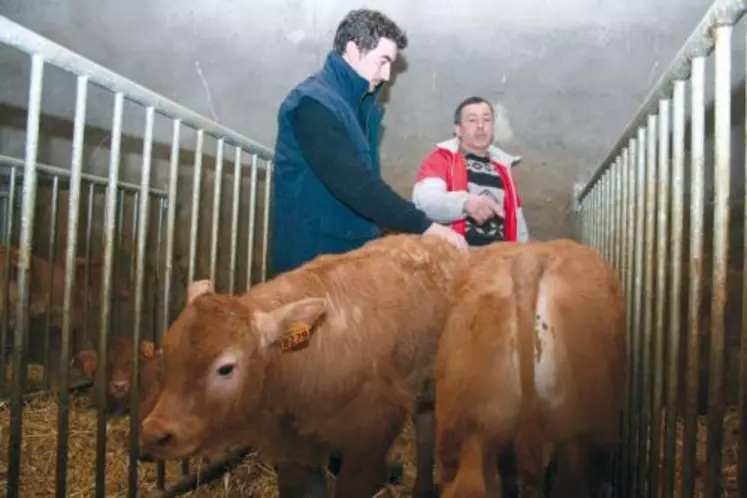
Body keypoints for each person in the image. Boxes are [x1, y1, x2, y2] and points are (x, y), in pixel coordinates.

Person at [270, 8, 468, 278]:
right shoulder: (314, 103)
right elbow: (355, 183)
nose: (387, 75)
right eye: (383, 61)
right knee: (301, 322)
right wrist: (424, 226)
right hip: (310, 263)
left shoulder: (357, 108)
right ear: (353, 50)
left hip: (341, 256)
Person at [411, 96, 530, 245]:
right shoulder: (440, 160)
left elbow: (517, 220)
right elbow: (424, 203)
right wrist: (464, 203)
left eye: (486, 120)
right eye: (472, 120)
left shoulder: (504, 167)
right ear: (458, 130)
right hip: (455, 257)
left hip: (498, 260)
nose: (480, 125)